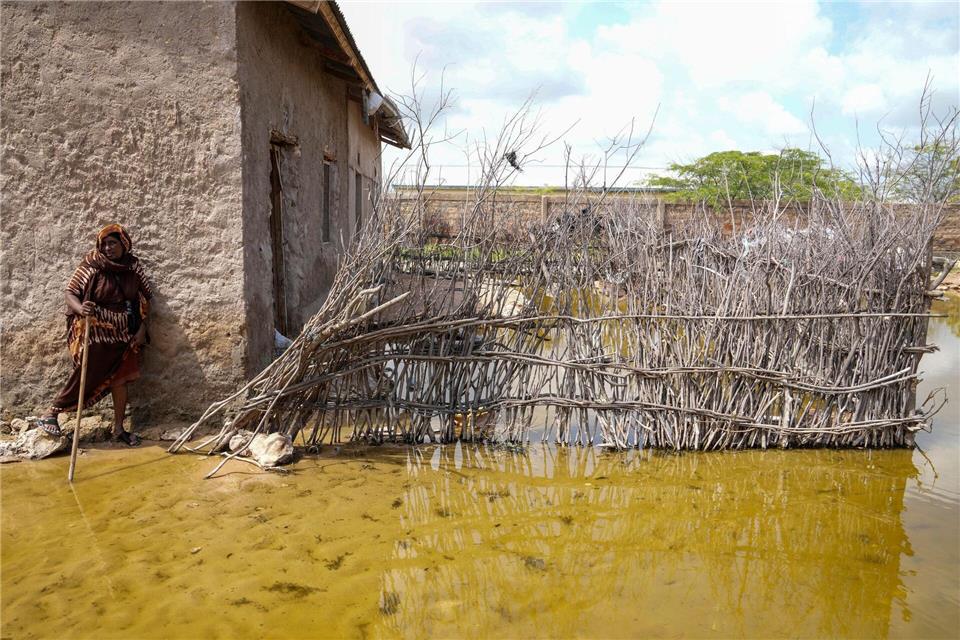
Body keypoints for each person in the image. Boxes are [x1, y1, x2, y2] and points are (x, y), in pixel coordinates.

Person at [35, 224, 153, 445]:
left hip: (124, 333)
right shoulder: (92, 264)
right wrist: (81, 309)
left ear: (124, 244)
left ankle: (118, 429)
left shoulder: (133, 267)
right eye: (104, 244)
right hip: (94, 331)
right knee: (89, 369)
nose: (108, 248)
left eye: (113, 243)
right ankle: (52, 412)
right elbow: (70, 292)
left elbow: (145, 298)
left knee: (121, 379)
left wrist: (143, 327)